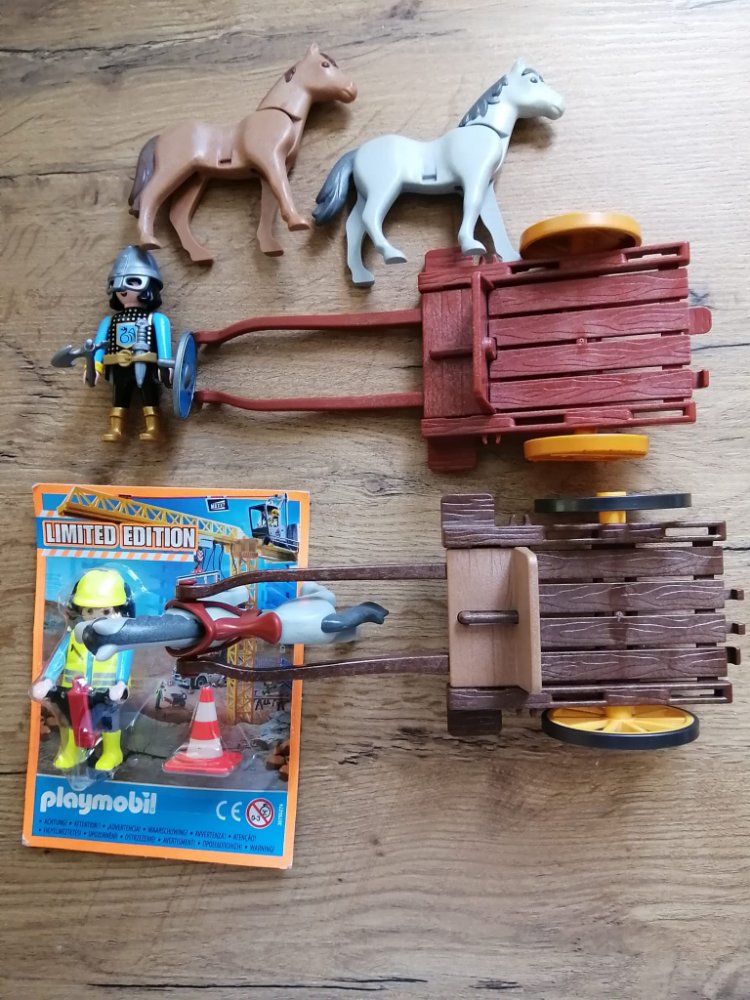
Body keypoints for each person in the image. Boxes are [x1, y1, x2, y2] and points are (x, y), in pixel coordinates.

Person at [31, 569, 135, 771]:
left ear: (119, 610)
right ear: (80, 611)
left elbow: (124, 660)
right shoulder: (73, 637)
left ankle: (112, 752)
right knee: (72, 720)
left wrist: (121, 683)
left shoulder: (119, 640)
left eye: (105, 612)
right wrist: (47, 680)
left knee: (108, 721)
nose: (96, 617)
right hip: (73, 691)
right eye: (89, 611)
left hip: (106, 691)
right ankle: (72, 750)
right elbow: (59, 658)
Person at [92, 246, 173, 443]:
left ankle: (154, 428)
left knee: (150, 395)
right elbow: (98, 346)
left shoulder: (156, 319)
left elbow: (164, 345)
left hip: (147, 364)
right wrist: (94, 365)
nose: (124, 289)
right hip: (118, 366)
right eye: (118, 283)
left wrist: (166, 365)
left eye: (133, 282)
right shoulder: (110, 321)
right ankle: (116, 429)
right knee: (119, 397)